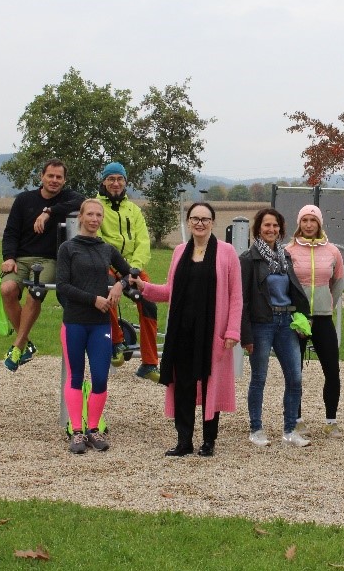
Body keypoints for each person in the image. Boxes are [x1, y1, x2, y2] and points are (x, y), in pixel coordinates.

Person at [131, 202, 243, 457]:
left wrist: (232, 332)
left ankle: (208, 441)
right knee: (183, 385)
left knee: (209, 384)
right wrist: (144, 288)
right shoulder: (180, 251)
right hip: (182, 331)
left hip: (212, 333)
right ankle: (184, 441)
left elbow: (236, 296)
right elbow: (171, 291)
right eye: (195, 218)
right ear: (189, 222)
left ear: (212, 222)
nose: (200, 223)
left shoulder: (227, 253)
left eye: (205, 219)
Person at [56, 199, 132, 454]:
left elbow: (129, 272)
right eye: (90, 214)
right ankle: (77, 431)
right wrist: (94, 299)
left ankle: (93, 429)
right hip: (76, 321)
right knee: (76, 376)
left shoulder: (107, 249)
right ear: (81, 217)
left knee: (100, 377)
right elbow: (63, 286)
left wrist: (121, 284)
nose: (95, 219)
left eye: (99, 215)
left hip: (101, 325)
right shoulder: (68, 248)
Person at [0, 159, 84, 372]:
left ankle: (18, 345)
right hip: (20, 259)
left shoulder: (67, 198)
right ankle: (26, 342)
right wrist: (9, 257)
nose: (54, 180)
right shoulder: (24, 200)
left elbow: (82, 202)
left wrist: (49, 211)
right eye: (50, 176)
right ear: (41, 177)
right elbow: (10, 232)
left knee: (34, 293)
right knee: (7, 289)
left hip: (50, 260)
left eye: (59, 177)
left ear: (64, 180)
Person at [241, 207, 313, 448]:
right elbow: (243, 299)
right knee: (259, 378)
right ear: (258, 229)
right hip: (261, 324)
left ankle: (290, 429)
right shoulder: (249, 259)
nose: (271, 230)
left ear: (281, 229)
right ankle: (256, 428)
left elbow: (294, 292)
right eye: (266, 225)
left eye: (275, 226)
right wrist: (246, 333)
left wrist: (303, 319)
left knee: (295, 377)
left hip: (286, 323)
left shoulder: (285, 257)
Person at [96, 161, 160, 381]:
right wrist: (118, 267)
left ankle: (150, 362)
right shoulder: (96, 206)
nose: (116, 183)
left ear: (125, 182)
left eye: (120, 179)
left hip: (133, 266)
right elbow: (99, 240)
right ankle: (116, 341)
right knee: (106, 291)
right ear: (104, 181)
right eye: (111, 179)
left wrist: (134, 268)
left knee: (149, 301)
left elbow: (143, 242)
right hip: (107, 264)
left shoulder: (133, 210)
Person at [286, 205, 344, 438]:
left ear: (319, 223)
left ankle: (331, 421)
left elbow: (338, 284)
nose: (308, 224)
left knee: (332, 370)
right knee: (295, 372)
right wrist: (294, 311)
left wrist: (326, 304)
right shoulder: (288, 251)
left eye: (313, 220)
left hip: (322, 318)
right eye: (304, 220)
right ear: (299, 223)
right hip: (296, 319)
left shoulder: (332, 251)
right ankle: (297, 419)